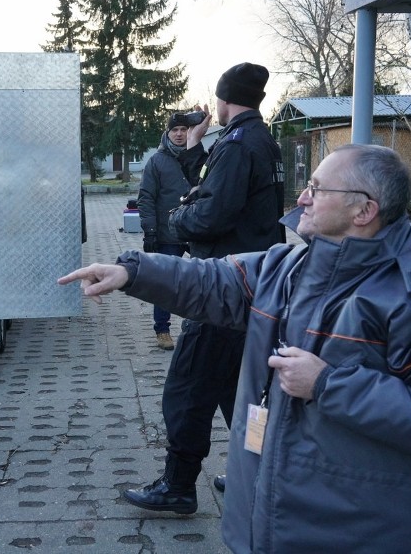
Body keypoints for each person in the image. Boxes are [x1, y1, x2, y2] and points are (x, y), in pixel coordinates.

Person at [58, 143, 411, 553]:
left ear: (364, 210)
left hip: (363, 536)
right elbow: (212, 281)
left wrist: (328, 385)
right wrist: (131, 272)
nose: (302, 197)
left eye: (317, 189)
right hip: (274, 524)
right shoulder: (294, 266)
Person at [123, 62, 285, 514]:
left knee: (187, 390)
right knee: (245, 394)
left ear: (223, 98)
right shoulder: (262, 140)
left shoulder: (237, 146)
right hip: (257, 286)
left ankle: (178, 484)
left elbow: (212, 212)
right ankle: (254, 475)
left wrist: (177, 221)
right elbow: (218, 190)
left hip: (222, 289)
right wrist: (197, 151)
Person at [137, 112, 201, 350]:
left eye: (184, 129)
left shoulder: (198, 157)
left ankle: (197, 326)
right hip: (168, 233)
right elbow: (146, 198)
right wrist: (150, 231)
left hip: (196, 231)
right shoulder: (157, 161)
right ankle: (162, 330)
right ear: (167, 133)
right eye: (174, 130)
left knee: (199, 281)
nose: (179, 134)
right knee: (165, 283)